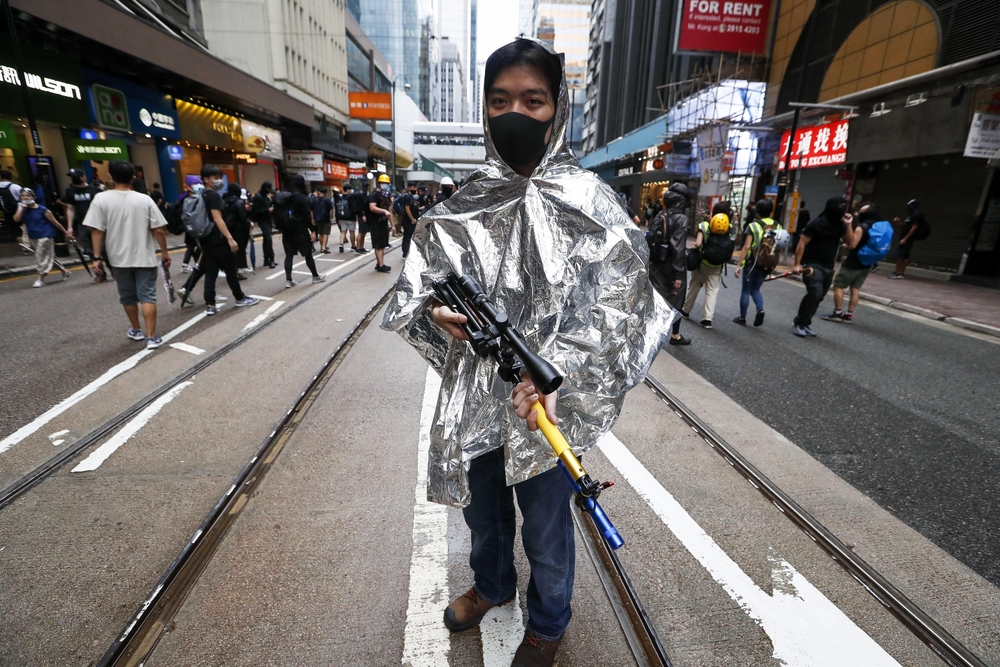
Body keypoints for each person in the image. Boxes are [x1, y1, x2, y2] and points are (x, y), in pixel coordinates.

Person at [381, 39, 670, 667]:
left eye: (532, 100)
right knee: (483, 515)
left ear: (557, 109)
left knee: (546, 528)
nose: (516, 114)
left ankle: (548, 622)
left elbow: (622, 309)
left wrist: (559, 371)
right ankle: (492, 586)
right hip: (476, 401)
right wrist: (436, 313)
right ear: (485, 111)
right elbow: (415, 292)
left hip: (547, 406)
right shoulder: (459, 207)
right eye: (501, 100)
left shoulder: (590, 204)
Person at [83, 160, 172, 348]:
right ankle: (152, 336)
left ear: (110, 177)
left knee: (128, 297)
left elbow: (97, 230)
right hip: (144, 257)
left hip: (118, 259)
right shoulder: (145, 199)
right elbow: (158, 229)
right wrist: (164, 252)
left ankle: (136, 330)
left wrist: (97, 257)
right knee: (148, 296)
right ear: (133, 177)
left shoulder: (101, 199)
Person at [191, 165, 260, 314]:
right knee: (230, 269)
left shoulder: (201, 195)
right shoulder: (213, 196)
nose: (219, 180)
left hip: (206, 239)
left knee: (211, 272)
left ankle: (210, 304)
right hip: (218, 239)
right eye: (215, 178)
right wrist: (230, 238)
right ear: (206, 179)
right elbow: (217, 218)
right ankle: (240, 298)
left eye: (219, 177)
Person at [792, 196, 858, 337]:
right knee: (814, 293)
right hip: (812, 264)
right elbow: (802, 244)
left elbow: (851, 243)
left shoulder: (841, 225)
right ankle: (799, 322)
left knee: (819, 297)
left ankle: (805, 322)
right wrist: (797, 264)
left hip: (828, 266)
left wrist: (848, 224)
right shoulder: (816, 223)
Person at [822, 203, 887, 323]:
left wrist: (847, 240)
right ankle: (849, 315)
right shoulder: (878, 226)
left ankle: (837, 312)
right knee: (855, 288)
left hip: (854, 262)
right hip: (868, 262)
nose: (858, 213)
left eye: (861, 211)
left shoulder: (862, 227)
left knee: (838, 285)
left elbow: (853, 244)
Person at [648, 182, 691, 345]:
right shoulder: (681, 219)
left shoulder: (660, 215)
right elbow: (678, 249)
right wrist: (678, 275)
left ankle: (650, 334)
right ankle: (675, 336)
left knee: (656, 300)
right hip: (671, 267)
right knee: (676, 301)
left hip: (656, 264)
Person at [682, 201, 734, 329]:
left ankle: (686, 311)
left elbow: (698, 244)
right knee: (712, 291)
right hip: (717, 266)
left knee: (694, 286)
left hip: (702, 263)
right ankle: (707, 319)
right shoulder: (729, 227)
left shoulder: (704, 225)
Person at [13, 187, 74, 287]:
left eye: (27, 195)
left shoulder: (43, 210)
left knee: (40, 257)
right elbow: (16, 219)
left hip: (46, 235)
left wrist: (66, 232)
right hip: (33, 236)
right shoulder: (23, 209)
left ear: (34, 196)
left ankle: (40, 279)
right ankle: (65, 271)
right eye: (23, 196)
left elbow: (55, 223)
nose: (25, 197)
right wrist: (21, 208)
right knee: (49, 257)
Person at [732, 199, 776, 327]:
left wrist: (739, 265)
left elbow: (746, 247)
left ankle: (742, 317)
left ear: (757, 211)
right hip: (766, 262)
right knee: (756, 289)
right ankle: (760, 309)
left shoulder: (753, 226)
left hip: (752, 262)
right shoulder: (777, 225)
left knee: (746, 291)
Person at [277, 174, 326, 288]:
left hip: (287, 230)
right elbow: (306, 216)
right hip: (300, 230)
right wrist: (313, 230)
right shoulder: (301, 198)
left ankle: (288, 280)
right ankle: (315, 276)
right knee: (308, 254)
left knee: (289, 255)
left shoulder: (286, 197)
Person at [61, 169, 101, 257]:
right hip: (82, 223)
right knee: (89, 250)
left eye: (76, 177)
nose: (74, 179)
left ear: (83, 177)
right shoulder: (70, 191)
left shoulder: (95, 190)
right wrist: (70, 227)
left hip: (96, 224)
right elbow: (70, 208)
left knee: (102, 249)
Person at [889, 199, 926, 279]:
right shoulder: (910, 215)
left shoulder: (917, 214)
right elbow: (905, 226)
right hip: (904, 236)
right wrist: (898, 222)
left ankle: (899, 272)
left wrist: (906, 238)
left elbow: (914, 227)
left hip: (908, 238)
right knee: (904, 255)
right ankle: (900, 273)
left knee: (899, 254)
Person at [223, 182, 251, 275]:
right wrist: (247, 224)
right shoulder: (239, 202)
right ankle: (237, 271)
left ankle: (230, 269)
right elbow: (242, 218)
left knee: (230, 250)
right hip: (239, 230)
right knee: (239, 249)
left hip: (227, 228)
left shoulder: (224, 200)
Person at [368, 174, 393, 272]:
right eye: (383, 183)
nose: (385, 185)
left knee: (382, 244)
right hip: (375, 223)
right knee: (378, 245)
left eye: (387, 183)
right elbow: (372, 207)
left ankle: (380, 263)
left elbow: (389, 209)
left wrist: (393, 225)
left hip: (383, 222)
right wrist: (384, 211)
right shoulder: (374, 195)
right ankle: (381, 265)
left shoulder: (386, 195)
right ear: (379, 184)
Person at [250, 182, 277, 269]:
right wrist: (267, 210)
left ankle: (266, 259)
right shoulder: (258, 197)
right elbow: (256, 210)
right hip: (262, 220)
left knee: (266, 239)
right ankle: (271, 259)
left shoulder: (266, 197)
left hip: (268, 220)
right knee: (268, 238)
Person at [180, 175, 203, 272]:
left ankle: (189, 266)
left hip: (199, 229)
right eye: (195, 184)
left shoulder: (201, 197)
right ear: (188, 186)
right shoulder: (184, 200)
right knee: (194, 248)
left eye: (200, 183)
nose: (198, 185)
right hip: (192, 229)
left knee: (193, 248)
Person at [0, 169, 24, 245]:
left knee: (15, 230)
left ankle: (23, 246)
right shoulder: (16, 187)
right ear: (11, 177)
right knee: (24, 228)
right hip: (19, 210)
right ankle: (28, 244)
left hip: (6, 212)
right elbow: (23, 198)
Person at [310, 185, 334, 253]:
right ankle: (323, 247)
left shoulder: (314, 200)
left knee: (320, 234)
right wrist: (331, 218)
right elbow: (331, 210)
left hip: (317, 219)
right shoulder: (327, 200)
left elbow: (311, 210)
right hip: (326, 219)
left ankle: (321, 246)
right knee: (325, 233)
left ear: (319, 192)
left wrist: (312, 219)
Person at [398, 183, 420, 258]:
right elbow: (407, 209)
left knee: (410, 237)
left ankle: (409, 253)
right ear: (409, 188)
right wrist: (412, 219)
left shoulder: (412, 197)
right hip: (408, 221)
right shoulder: (407, 197)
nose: (415, 189)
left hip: (412, 221)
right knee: (407, 238)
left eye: (415, 187)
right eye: (413, 187)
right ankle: (405, 254)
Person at [335, 183, 358, 253]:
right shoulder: (352, 197)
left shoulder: (339, 197)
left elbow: (337, 208)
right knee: (352, 232)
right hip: (351, 217)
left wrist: (337, 218)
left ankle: (341, 244)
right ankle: (353, 246)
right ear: (348, 190)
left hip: (341, 217)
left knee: (343, 231)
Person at [352, 184, 370, 254]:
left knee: (364, 232)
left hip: (364, 215)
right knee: (361, 232)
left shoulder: (364, 194)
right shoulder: (360, 195)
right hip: (361, 215)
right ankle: (358, 247)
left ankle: (361, 247)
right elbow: (360, 206)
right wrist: (363, 214)